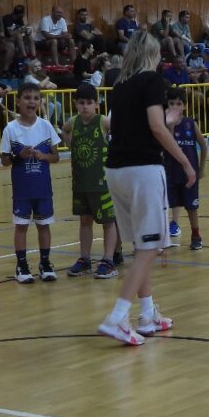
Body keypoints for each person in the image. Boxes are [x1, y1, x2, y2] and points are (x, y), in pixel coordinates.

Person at [98, 30, 195, 345]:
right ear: (154, 55)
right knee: (150, 246)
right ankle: (118, 316)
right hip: (143, 170)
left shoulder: (120, 86)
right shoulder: (152, 81)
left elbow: (119, 125)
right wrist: (184, 161)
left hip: (116, 170)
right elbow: (156, 126)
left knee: (142, 245)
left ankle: (148, 314)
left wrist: (166, 119)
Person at [0, 82, 62, 283]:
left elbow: (56, 157)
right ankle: (22, 265)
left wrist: (44, 156)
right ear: (18, 101)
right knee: (21, 226)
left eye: (36, 98)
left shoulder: (46, 126)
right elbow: (4, 161)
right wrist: (19, 156)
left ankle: (45, 263)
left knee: (44, 225)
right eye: (27, 97)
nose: (32, 101)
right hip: (22, 190)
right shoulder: (10, 129)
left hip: (43, 188)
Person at [61, 83, 119, 279]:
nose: (85, 106)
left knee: (108, 222)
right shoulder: (73, 121)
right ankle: (84, 259)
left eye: (89, 103)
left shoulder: (103, 121)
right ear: (75, 104)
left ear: (96, 104)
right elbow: (64, 131)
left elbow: (121, 132)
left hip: (102, 183)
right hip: (81, 182)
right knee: (84, 221)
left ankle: (108, 260)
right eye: (81, 103)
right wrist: (72, 146)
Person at [165, 86, 206, 251]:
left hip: (190, 175)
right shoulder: (164, 126)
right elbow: (168, 145)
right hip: (171, 172)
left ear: (184, 106)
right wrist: (170, 126)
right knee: (168, 204)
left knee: (191, 207)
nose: (175, 107)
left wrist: (201, 169)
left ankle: (196, 235)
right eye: (171, 103)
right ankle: (165, 235)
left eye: (178, 104)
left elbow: (203, 146)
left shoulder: (190, 123)